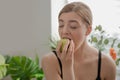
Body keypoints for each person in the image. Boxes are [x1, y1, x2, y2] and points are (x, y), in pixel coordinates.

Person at [41, 1, 116, 80]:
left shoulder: (107, 64)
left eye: (73, 26)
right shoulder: (50, 61)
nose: (64, 31)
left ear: (88, 30)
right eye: (61, 25)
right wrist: (67, 66)